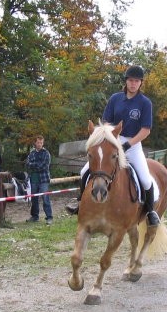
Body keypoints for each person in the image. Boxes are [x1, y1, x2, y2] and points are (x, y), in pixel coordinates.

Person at [66, 65, 161, 226]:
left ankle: (151, 212)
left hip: (133, 143)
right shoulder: (115, 98)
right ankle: (80, 201)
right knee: (84, 171)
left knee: (145, 179)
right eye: (130, 80)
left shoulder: (145, 103)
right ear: (126, 81)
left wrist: (127, 145)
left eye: (136, 81)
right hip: (112, 140)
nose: (133, 83)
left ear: (140, 83)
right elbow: (105, 123)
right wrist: (109, 140)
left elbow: (145, 130)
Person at [25, 135, 53, 225]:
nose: (40, 144)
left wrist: (34, 165)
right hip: (33, 179)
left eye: (41, 142)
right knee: (34, 199)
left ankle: (49, 217)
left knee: (45, 198)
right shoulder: (32, 153)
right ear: (35, 143)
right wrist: (36, 165)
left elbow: (44, 166)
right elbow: (27, 164)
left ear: (43, 143)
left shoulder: (46, 153)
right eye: (38, 142)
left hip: (44, 179)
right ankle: (34, 216)